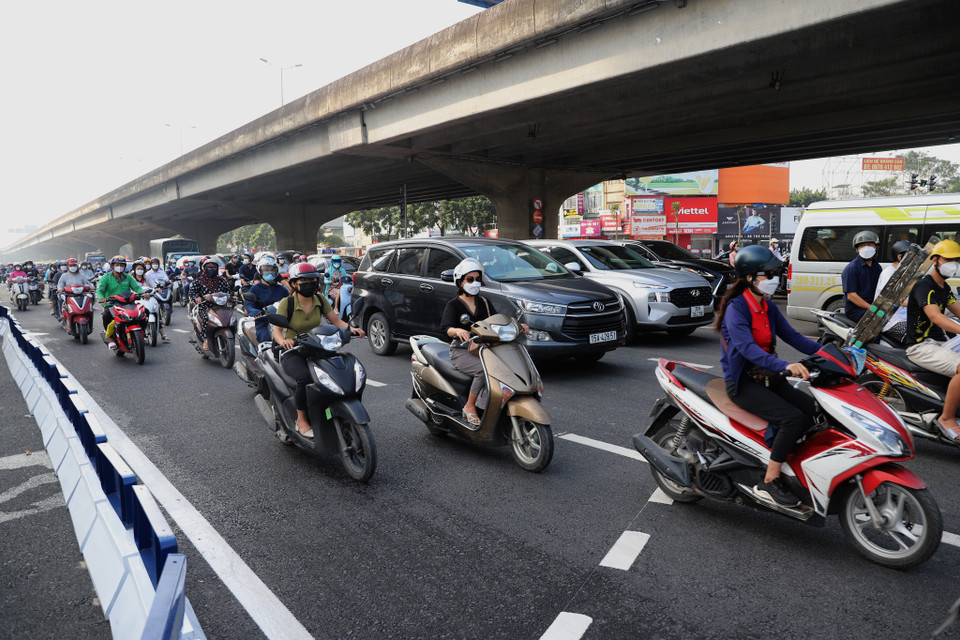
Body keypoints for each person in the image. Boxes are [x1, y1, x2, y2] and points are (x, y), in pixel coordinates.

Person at [717, 245, 821, 508]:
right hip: (743, 383)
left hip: (769, 377)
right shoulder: (737, 308)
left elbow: (794, 337)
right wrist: (786, 365)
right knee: (792, 419)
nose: (775, 279)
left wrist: (831, 353)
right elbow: (748, 349)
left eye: (776, 273)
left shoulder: (767, 305)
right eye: (769, 274)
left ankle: (786, 458)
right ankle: (770, 480)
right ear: (750, 277)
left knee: (814, 411)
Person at [272, 263, 364, 438]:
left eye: (312, 280)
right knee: (305, 378)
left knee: (341, 370)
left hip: (317, 347)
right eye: (304, 281)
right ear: (294, 284)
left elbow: (336, 321)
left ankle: (335, 409)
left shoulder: (320, 300)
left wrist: (351, 328)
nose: (309, 284)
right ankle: (301, 420)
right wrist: (284, 341)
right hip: (294, 351)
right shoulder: (287, 303)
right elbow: (277, 331)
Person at [440, 258, 530, 427]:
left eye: (477, 279)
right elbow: (445, 328)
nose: (475, 282)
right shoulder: (453, 305)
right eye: (470, 279)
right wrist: (457, 331)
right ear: (460, 282)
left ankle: (489, 405)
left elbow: (497, 321)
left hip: (485, 348)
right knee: (483, 370)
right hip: (461, 350)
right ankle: (469, 405)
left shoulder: (484, 302)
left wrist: (517, 325)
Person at [904, 240, 960, 441]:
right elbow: (936, 316)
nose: (953, 264)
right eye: (949, 259)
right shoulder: (924, 286)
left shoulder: (944, 288)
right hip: (920, 346)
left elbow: (957, 309)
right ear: (935, 260)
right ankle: (947, 418)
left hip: (939, 342)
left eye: (956, 260)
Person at [96, 255, 143, 349]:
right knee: (106, 315)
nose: (119, 267)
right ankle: (111, 339)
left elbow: (136, 288)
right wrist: (101, 298)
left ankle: (143, 334)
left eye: (122, 265)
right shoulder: (106, 278)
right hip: (111, 304)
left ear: (125, 266)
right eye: (117, 265)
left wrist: (143, 293)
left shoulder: (128, 277)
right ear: (112, 266)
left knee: (143, 313)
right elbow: (99, 290)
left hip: (127, 303)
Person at [874, 240, 912, 344]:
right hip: (892, 321)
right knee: (917, 337)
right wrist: (915, 304)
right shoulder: (888, 274)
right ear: (900, 257)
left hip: (906, 318)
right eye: (912, 257)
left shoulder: (905, 273)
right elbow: (892, 300)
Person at [245, 256, 288, 343]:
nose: (269, 272)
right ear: (260, 272)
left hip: (281, 321)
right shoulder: (255, 289)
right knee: (266, 340)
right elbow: (249, 305)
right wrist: (256, 312)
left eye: (272, 270)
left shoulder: (282, 289)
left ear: (276, 272)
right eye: (266, 270)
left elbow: (290, 302)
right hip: (264, 321)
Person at [191, 257, 232, 351]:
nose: (212, 269)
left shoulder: (221, 280)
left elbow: (228, 291)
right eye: (209, 267)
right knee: (206, 318)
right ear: (205, 268)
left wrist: (232, 296)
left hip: (220, 306)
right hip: (205, 306)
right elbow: (192, 292)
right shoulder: (199, 280)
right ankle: (205, 339)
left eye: (214, 268)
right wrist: (197, 297)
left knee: (230, 317)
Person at [841, 230, 882, 322]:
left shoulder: (877, 267)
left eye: (869, 245)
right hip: (856, 310)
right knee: (877, 322)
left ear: (876, 247)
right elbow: (851, 296)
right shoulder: (852, 268)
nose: (866, 248)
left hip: (873, 307)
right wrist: (872, 308)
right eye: (862, 245)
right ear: (857, 248)